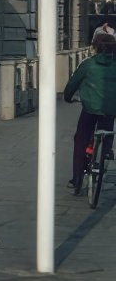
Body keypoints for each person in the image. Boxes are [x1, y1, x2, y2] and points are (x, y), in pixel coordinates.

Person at [63, 29, 116, 194]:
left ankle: (77, 179)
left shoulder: (88, 64)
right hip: (110, 110)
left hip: (90, 109)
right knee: (108, 125)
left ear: (95, 47)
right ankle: (107, 150)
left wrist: (68, 97)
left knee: (81, 139)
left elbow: (72, 84)